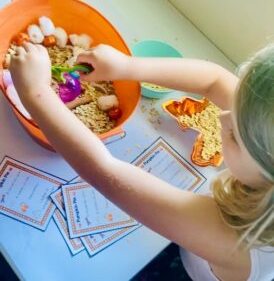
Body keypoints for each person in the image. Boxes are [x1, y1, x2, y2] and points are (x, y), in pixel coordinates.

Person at [9, 43, 274, 281]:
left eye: (234, 137)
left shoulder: (234, 241)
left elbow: (104, 172)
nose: (221, 119)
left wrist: (36, 93)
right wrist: (127, 66)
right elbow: (215, 80)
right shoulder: (264, 139)